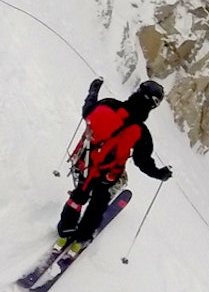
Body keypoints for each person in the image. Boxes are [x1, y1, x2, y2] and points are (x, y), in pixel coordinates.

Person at [56, 78, 173, 255]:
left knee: (79, 196)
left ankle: (64, 234)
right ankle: (79, 241)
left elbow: (87, 111)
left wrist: (93, 92)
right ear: (152, 107)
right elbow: (143, 162)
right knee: (98, 204)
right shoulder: (142, 133)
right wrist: (160, 174)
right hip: (107, 176)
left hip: (85, 164)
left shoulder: (108, 105)